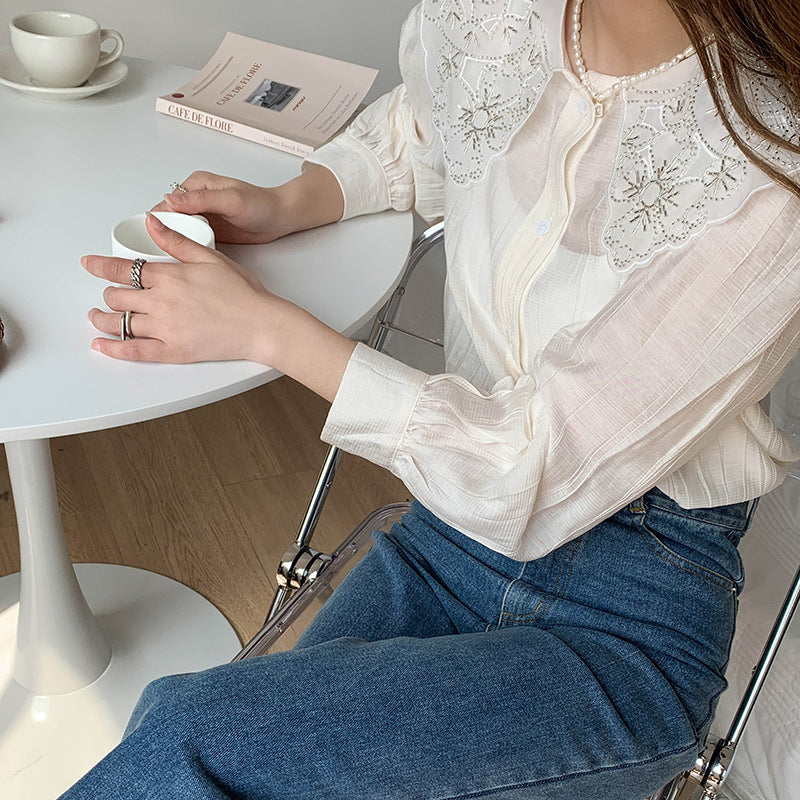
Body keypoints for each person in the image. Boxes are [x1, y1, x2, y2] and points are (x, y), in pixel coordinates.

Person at [62, 0, 800, 798]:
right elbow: (425, 124)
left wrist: (265, 329)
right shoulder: (492, 16)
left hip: (623, 618)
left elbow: (536, 473)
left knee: (190, 738)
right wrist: (292, 199)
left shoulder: (773, 163)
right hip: (450, 540)